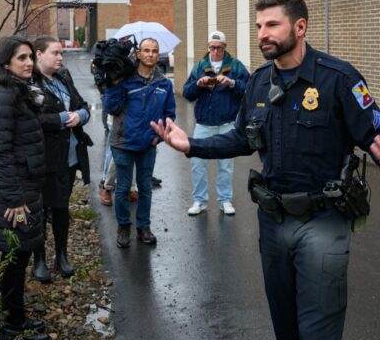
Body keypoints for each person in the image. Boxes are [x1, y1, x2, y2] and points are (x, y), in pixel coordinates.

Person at [152, 0, 380, 340]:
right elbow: (240, 138)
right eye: (259, 26)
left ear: (300, 27)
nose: (262, 34)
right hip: (273, 224)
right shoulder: (257, 83)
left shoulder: (339, 78)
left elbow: (378, 133)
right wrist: (191, 145)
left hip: (323, 223)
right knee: (287, 335)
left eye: (271, 25)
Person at [0, 36, 51, 340]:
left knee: (19, 257)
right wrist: (15, 200)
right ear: (5, 62)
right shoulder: (1, 96)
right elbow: (0, 153)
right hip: (13, 195)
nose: (29, 63)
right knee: (14, 260)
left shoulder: (16, 90)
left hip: (24, 187)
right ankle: (11, 328)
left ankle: (16, 317)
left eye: (31, 57)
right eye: (22, 58)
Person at [104, 37, 175, 248]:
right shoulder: (125, 80)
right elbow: (112, 108)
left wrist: (159, 136)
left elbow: (170, 114)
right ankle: (123, 227)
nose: (150, 54)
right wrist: (115, 84)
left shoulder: (164, 83)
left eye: (154, 50)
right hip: (123, 143)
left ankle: (143, 227)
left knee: (145, 188)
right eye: (146, 50)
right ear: (138, 54)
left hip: (148, 145)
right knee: (123, 188)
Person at [30, 36, 91, 282]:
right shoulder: (30, 83)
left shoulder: (63, 78)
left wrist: (82, 114)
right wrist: (64, 117)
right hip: (44, 158)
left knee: (61, 207)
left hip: (69, 157)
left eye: (61, 53)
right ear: (38, 54)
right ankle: (40, 259)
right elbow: (33, 119)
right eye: (55, 53)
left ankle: (62, 255)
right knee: (40, 209)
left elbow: (82, 104)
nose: (60, 58)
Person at [182, 30, 249, 216]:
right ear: (208, 47)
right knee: (197, 164)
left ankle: (225, 200)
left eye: (219, 47)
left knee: (225, 166)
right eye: (212, 47)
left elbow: (250, 90)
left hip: (227, 124)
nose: (215, 51)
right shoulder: (199, 67)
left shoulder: (235, 66)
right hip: (203, 124)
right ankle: (199, 201)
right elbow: (187, 94)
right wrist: (198, 84)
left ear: (225, 47)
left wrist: (232, 83)